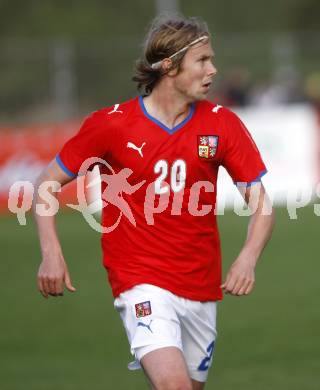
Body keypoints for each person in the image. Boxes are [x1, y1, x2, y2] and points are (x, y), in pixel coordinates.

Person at [34, 15, 275, 390]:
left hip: (200, 287)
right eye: (203, 60)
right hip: (140, 280)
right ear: (168, 65)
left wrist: (248, 256)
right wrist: (51, 251)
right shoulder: (112, 124)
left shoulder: (222, 124)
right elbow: (48, 183)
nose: (213, 69)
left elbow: (262, 204)